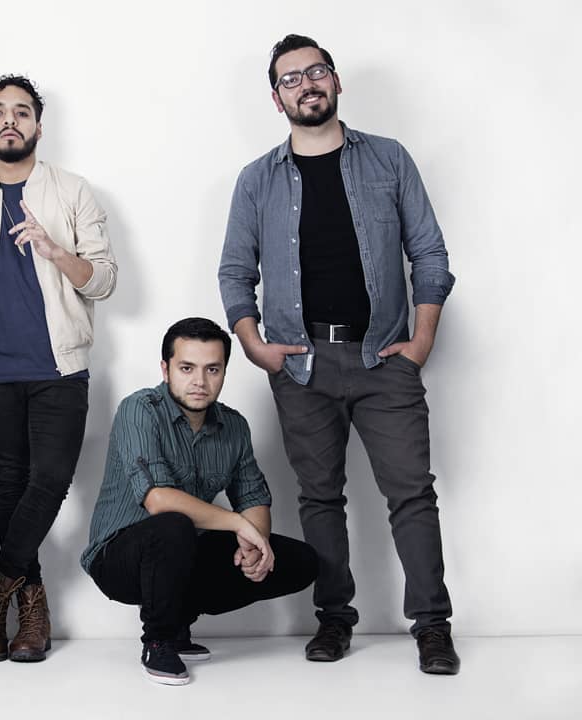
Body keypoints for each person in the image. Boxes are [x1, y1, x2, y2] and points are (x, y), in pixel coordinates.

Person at [218, 34, 460, 674]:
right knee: (319, 497)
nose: (307, 84)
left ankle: (432, 626)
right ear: (277, 99)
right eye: (291, 78)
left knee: (412, 495)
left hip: (385, 359)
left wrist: (422, 340)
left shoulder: (388, 159)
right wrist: (255, 346)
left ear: (336, 80)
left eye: (316, 71)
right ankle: (333, 619)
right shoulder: (257, 180)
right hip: (301, 366)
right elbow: (235, 271)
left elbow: (429, 254)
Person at [0, 74, 117, 662]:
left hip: (60, 367)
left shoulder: (73, 191)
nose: (9, 120)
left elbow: (104, 281)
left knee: (50, 479)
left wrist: (56, 250)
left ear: (38, 125)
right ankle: (29, 612)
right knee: (10, 485)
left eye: (22, 111)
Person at [82, 317, 317, 685]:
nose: (200, 382)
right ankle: (158, 642)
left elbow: (253, 496)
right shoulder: (140, 410)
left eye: (213, 369)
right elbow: (158, 500)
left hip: (183, 552)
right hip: (118, 558)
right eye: (187, 368)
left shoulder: (233, 426)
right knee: (173, 524)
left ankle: (178, 621)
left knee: (300, 561)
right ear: (166, 369)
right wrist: (237, 523)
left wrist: (253, 545)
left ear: (224, 372)